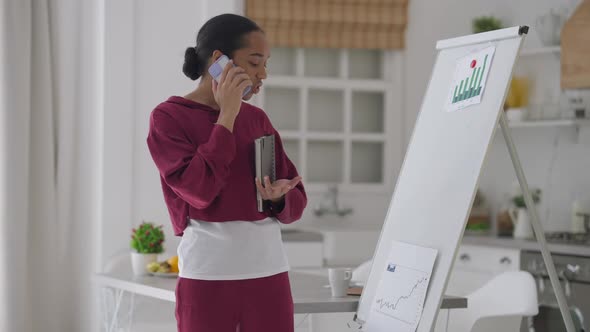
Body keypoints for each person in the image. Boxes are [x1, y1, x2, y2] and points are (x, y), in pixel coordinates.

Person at [146, 13, 307, 332]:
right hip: (207, 278)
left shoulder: (258, 119)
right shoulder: (168, 118)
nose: (263, 74)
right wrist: (227, 116)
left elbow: (296, 201)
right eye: (254, 62)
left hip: (269, 275)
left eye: (265, 64)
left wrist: (277, 199)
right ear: (219, 61)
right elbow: (198, 191)